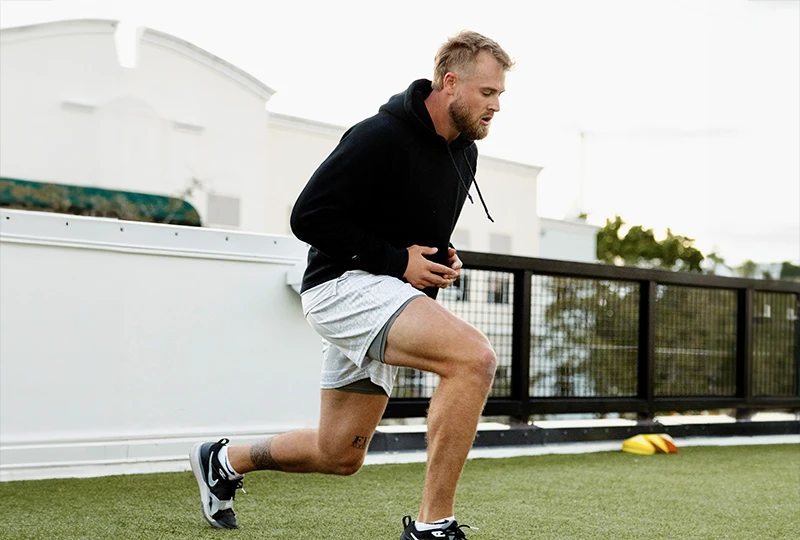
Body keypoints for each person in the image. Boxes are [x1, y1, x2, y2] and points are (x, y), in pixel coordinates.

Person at [190, 30, 513, 539]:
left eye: (500, 95)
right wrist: (396, 260)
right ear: (450, 82)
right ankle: (433, 526)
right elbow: (308, 216)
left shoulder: (463, 152)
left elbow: (412, 229)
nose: (496, 106)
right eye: (487, 93)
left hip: (385, 292)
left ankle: (223, 461)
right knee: (473, 360)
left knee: (339, 452)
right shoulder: (379, 136)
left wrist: (438, 256)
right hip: (342, 286)